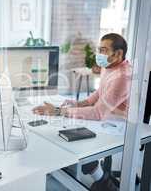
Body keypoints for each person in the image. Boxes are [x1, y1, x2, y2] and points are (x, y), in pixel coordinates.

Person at [33, 33, 132, 191]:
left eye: (104, 50)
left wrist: (58, 111)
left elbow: (98, 113)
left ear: (118, 54)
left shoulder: (123, 77)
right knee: (65, 128)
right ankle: (96, 175)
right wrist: (79, 103)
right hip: (106, 117)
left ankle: (103, 182)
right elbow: (99, 93)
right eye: (99, 49)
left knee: (76, 137)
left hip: (121, 125)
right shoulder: (110, 66)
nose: (99, 54)